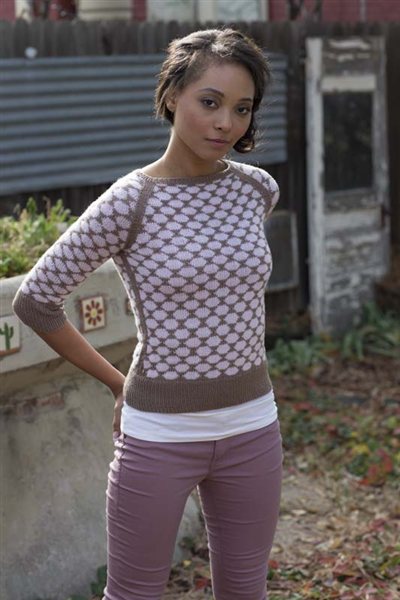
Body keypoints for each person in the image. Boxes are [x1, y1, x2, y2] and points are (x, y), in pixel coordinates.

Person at [12, 27, 282, 600]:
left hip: (254, 427)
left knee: (246, 591)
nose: (226, 123)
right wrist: (118, 384)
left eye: (242, 109)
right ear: (172, 96)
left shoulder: (257, 190)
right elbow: (36, 300)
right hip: (159, 436)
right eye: (210, 102)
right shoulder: (130, 202)